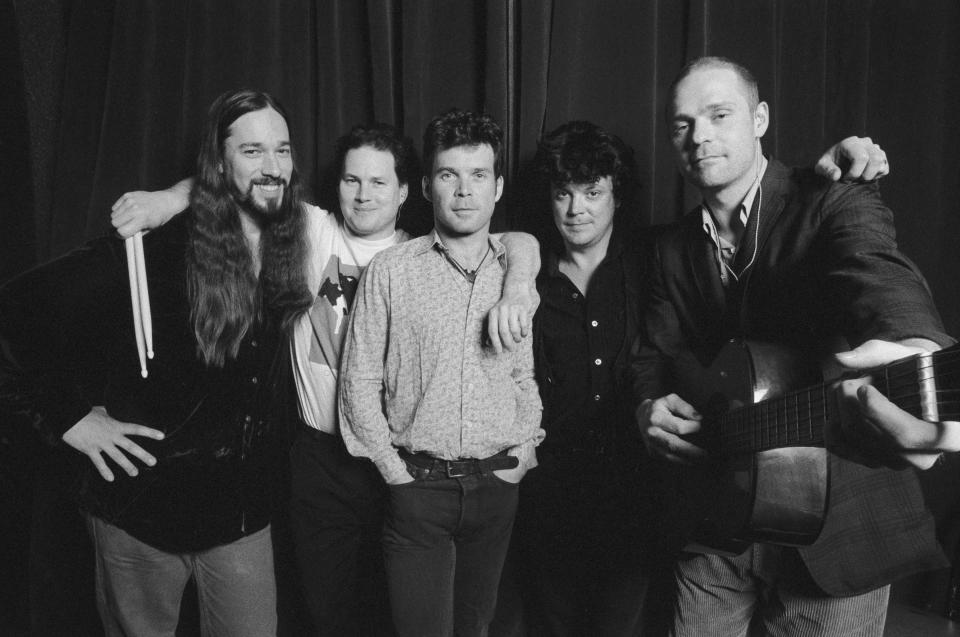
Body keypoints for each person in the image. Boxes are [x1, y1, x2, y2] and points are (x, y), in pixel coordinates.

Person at [110, 121, 540, 636]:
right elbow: (242, 183)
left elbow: (513, 241)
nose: (363, 195)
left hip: (403, 458)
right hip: (322, 457)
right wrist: (169, 198)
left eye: (379, 182)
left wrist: (519, 279)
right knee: (327, 609)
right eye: (351, 180)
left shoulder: (419, 256)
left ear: (406, 191)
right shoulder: (314, 232)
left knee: (396, 609)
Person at [632, 56, 954, 636]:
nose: (699, 135)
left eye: (718, 114)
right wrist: (647, 406)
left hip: (837, 537)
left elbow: (877, 270)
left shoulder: (833, 197)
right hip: (716, 524)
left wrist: (913, 346)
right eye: (681, 124)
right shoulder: (670, 249)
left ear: (759, 119)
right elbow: (653, 356)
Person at [0, 89, 314, 636]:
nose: (272, 168)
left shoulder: (299, 236)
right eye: (252, 151)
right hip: (139, 516)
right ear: (219, 162)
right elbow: (13, 317)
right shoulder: (150, 252)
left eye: (283, 151)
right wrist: (71, 418)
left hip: (239, 516)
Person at [338, 109, 544, 637]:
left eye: (478, 176)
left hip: (496, 485)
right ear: (427, 186)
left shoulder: (513, 271)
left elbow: (523, 375)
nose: (464, 191)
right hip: (418, 490)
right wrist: (390, 468)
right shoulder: (392, 269)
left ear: (498, 187)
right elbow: (360, 379)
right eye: (449, 175)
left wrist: (523, 449)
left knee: (476, 629)